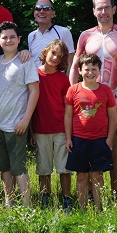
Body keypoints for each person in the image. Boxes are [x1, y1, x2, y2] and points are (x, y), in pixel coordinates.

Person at [68, 0, 117, 198]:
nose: (103, 12)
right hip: (87, 98)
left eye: (107, 7)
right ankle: (90, 192)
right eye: (100, 8)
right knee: (86, 144)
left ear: (114, 9)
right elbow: (75, 65)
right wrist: (73, 92)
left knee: (113, 145)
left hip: (114, 97)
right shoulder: (86, 35)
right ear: (94, 11)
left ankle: (114, 193)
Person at [0, 21, 39, 207]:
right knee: (4, 168)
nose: (8, 40)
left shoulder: (26, 62)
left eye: (11, 37)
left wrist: (26, 119)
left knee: (19, 168)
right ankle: (10, 203)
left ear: (18, 39)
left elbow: (34, 91)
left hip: (17, 124)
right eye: (4, 37)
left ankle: (26, 206)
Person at [65, 53, 117, 211]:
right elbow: (68, 115)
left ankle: (99, 209)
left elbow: (113, 116)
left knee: (97, 175)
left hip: (100, 140)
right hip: (79, 139)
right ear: (80, 71)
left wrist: (109, 139)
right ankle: (82, 208)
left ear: (99, 71)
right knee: (81, 176)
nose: (90, 72)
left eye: (94, 69)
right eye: (86, 69)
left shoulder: (106, 90)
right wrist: (69, 138)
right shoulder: (73, 90)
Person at [31, 39, 72, 210]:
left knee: (64, 168)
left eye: (59, 56)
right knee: (44, 168)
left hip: (61, 129)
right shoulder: (34, 75)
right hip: (40, 129)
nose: (55, 58)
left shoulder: (63, 79)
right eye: (53, 53)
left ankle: (67, 199)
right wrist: (31, 132)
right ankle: (45, 199)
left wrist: (70, 134)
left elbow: (68, 109)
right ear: (46, 51)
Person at [27, 0, 75, 68]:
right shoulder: (31, 36)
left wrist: (67, 79)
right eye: (38, 8)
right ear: (34, 13)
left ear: (53, 14)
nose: (42, 11)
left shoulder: (63, 32)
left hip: (57, 78)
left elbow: (70, 62)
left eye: (46, 8)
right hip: (35, 78)